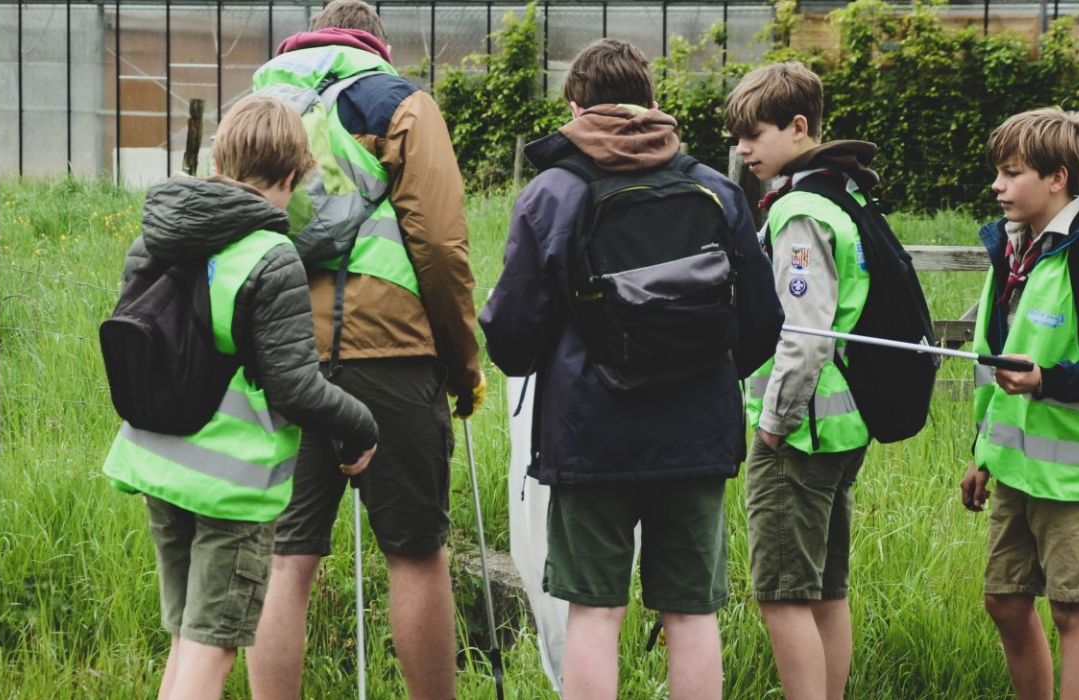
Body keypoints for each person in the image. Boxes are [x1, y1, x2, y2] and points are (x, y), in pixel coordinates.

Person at [479, 38, 782, 700]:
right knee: (691, 612)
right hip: (695, 437)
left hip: (591, 438)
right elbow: (763, 323)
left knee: (595, 611)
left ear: (577, 105)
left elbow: (508, 333)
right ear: (652, 103)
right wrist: (700, 372)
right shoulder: (717, 190)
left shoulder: (552, 193)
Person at [103, 96, 379, 700]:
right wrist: (361, 426)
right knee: (214, 646)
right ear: (288, 176)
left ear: (222, 157)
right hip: (230, 485)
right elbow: (295, 386)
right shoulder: (269, 255)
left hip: (159, 461)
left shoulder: (157, 235)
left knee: (186, 635)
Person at [241, 3, 481, 698]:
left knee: (286, 560)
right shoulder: (399, 100)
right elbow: (439, 246)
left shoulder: (257, 106)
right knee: (415, 555)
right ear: (377, 44)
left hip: (280, 356)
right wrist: (462, 364)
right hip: (390, 355)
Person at [958, 107, 1079, 700]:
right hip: (1014, 468)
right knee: (1004, 602)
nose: (997, 186)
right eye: (998, 172)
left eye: (1011, 173)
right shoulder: (1012, 250)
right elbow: (996, 357)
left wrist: (1047, 380)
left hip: (1075, 476)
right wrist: (982, 453)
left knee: (1074, 612)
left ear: (1057, 177)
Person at [725, 61, 877, 700]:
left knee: (783, 596)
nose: (741, 149)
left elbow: (805, 332)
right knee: (824, 592)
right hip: (841, 428)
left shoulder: (800, 213)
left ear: (798, 126)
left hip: (799, 435)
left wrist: (771, 427)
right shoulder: (845, 193)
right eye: (736, 138)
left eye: (753, 135)